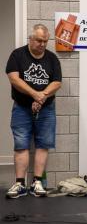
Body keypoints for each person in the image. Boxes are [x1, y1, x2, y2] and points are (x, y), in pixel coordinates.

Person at [5, 24, 62, 199]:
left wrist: (42, 96)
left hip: (46, 109)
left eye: (45, 41)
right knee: (21, 144)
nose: (42, 44)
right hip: (22, 107)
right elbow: (14, 78)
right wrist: (34, 94)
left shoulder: (52, 59)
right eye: (39, 40)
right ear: (31, 38)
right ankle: (20, 184)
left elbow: (57, 82)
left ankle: (37, 182)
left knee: (43, 144)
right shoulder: (18, 55)